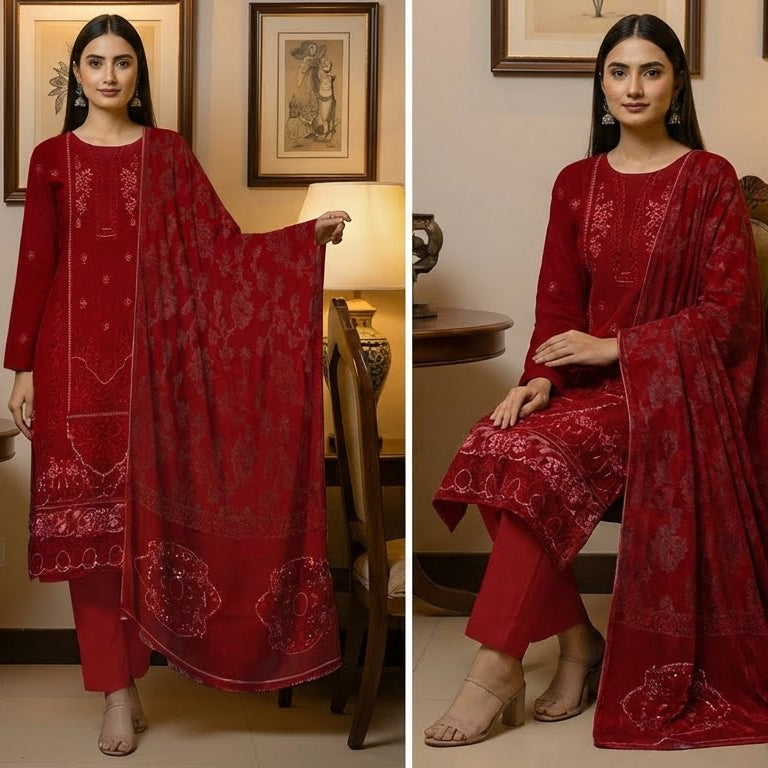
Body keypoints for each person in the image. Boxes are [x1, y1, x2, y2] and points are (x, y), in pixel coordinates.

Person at [4, 15, 351, 757]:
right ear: (76, 74)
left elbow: (220, 249)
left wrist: (302, 240)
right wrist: (22, 370)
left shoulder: (167, 154)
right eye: (94, 62)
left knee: (144, 524)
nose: (108, 75)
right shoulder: (50, 158)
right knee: (90, 535)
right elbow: (36, 264)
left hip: (158, 371)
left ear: (139, 73)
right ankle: (114, 691)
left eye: (122, 62)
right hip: (69, 368)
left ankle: (143, 671)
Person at [426, 13, 768, 751]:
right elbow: (557, 305)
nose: (633, 87)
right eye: (619, 72)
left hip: (670, 397)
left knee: (536, 462)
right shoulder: (576, 183)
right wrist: (540, 379)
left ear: (676, 85)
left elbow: (729, 316)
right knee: (494, 445)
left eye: (651, 71)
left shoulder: (709, 179)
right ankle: (579, 640)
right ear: (602, 86)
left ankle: (495, 667)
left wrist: (619, 347)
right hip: (584, 390)